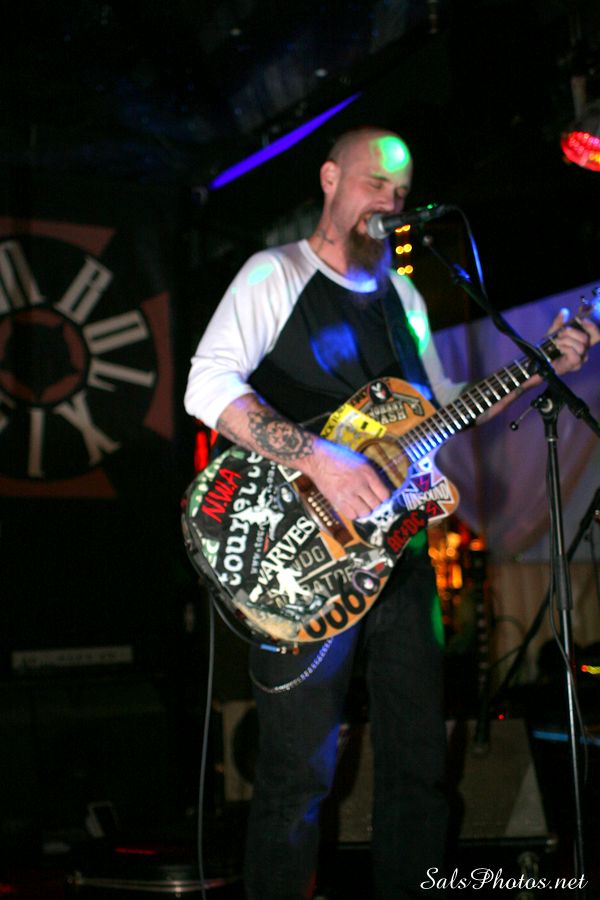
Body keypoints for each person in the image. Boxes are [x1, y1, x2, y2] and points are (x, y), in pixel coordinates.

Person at [184, 126, 598, 899]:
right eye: (376, 182)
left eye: (401, 191)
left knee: (418, 765)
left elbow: (437, 410)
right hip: (297, 558)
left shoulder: (403, 294)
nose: (391, 200)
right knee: (298, 776)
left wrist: (540, 366)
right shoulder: (275, 273)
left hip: (398, 558)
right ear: (330, 179)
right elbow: (206, 386)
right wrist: (323, 460)